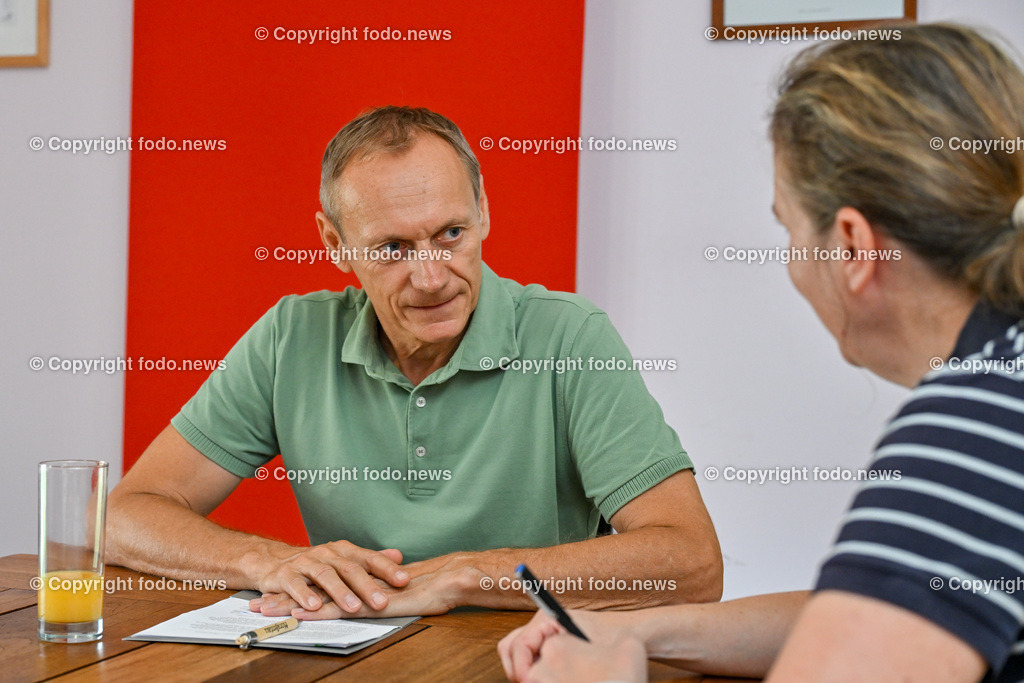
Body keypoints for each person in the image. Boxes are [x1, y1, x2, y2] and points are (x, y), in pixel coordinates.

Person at [499, 22, 1024, 683]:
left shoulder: (970, 434)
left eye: (788, 228)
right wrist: (630, 624)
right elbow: (873, 615)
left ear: (854, 248)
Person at [106, 106, 723, 619]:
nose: (431, 277)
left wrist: (463, 578)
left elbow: (691, 562)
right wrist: (266, 560)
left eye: (451, 233)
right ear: (334, 244)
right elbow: (123, 517)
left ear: (483, 211)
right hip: (351, 659)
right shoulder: (293, 335)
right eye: (393, 247)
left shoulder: (571, 336)